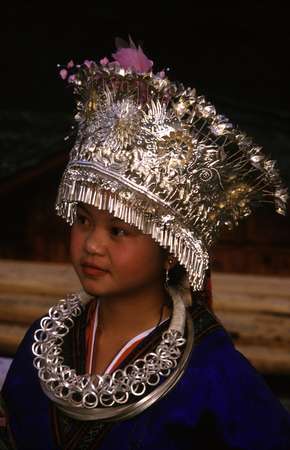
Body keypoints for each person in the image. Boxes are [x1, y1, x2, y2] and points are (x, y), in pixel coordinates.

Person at [1, 37, 290, 450]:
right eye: (83, 221)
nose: (92, 245)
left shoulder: (214, 374)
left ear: (170, 246)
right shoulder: (41, 345)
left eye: (119, 230)